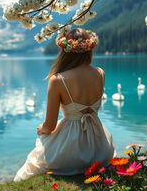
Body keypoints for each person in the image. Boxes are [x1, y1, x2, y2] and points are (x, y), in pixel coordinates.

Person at [14, 27, 115, 181]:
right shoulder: (100, 73)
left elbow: (50, 126)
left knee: (34, 159)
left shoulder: (58, 80)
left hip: (69, 152)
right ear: (89, 49)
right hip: (100, 147)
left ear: (65, 51)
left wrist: (41, 129)